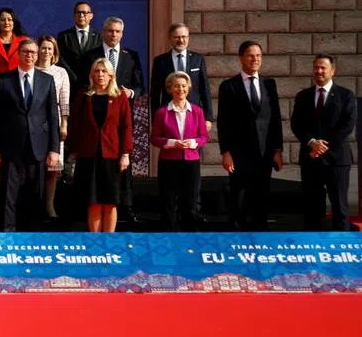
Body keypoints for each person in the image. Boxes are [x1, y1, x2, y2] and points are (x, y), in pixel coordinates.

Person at [0, 40, 61, 232]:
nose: (29, 55)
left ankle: (33, 235)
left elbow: (53, 116)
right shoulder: (4, 80)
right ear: (18, 54)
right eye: (26, 51)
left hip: (38, 147)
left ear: (37, 55)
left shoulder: (47, 80)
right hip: (10, 147)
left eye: (33, 52)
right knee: (8, 195)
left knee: (36, 194)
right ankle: (8, 235)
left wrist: (54, 149)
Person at [80, 17, 144, 223]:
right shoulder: (90, 56)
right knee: (93, 194)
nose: (113, 34)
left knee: (117, 187)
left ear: (122, 34)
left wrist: (131, 93)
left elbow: (140, 85)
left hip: (116, 128)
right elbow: (82, 84)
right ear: (103, 32)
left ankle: (128, 208)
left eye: (117, 31)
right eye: (110, 31)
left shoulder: (131, 56)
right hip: (93, 140)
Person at [217, 40, 283, 231]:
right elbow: (224, 122)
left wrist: (277, 150)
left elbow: (275, 119)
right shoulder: (229, 86)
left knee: (261, 194)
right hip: (239, 151)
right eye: (251, 55)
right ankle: (237, 234)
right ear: (241, 58)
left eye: (258, 56)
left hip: (264, 150)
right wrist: (226, 152)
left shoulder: (269, 84)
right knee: (239, 194)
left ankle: (260, 234)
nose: (255, 59)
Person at [291, 54, 356, 231]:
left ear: (332, 71)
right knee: (311, 207)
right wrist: (312, 142)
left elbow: (347, 125)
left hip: (337, 159)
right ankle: (312, 244)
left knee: (339, 206)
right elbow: (296, 124)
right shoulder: (303, 96)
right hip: (310, 159)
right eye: (316, 68)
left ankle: (341, 243)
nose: (318, 71)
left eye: (323, 68)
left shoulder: (346, 95)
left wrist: (321, 147)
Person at [68, 58, 133, 233]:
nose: (100, 74)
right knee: (93, 200)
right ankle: (95, 240)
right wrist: (73, 152)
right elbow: (76, 125)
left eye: (104, 71)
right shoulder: (84, 96)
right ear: (92, 75)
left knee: (111, 201)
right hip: (88, 155)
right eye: (97, 71)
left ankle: (108, 241)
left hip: (112, 155)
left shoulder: (119, 97)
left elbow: (126, 126)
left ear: (111, 75)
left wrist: (125, 154)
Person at [150, 71, 209, 230]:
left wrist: (193, 143)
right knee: (168, 201)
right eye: (176, 86)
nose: (180, 89)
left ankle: (189, 235)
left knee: (190, 200)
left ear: (188, 88)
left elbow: (204, 137)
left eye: (183, 86)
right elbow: (154, 138)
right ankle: (169, 235)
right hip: (168, 162)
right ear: (170, 89)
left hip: (191, 162)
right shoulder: (162, 112)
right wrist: (172, 143)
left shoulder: (197, 111)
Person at [150, 23, 213, 127]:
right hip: (168, 115)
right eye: (177, 37)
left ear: (188, 38)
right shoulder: (160, 61)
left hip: (194, 113)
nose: (181, 40)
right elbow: (155, 93)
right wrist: (155, 120)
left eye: (184, 37)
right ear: (170, 38)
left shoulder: (198, 59)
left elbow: (205, 89)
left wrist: (208, 118)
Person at [35, 34, 70, 219]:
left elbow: (64, 101)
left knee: (53, 168)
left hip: (54, 120)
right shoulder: (30, 69)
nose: (46, 51)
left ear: (54, 51)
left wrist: (64, 125)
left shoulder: (61, 72)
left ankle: (49, 206)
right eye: (43, 48)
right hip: (34, 120)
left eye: (50, 48)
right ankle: (34, 205)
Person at [56, 1, 100, 89]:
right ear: (74, 15)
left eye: (85, 13)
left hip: (93, 85)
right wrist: (74, 79)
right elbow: (61, 60)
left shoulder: (100, 37)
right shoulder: (63, 36)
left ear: (91, 16)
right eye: (78, 12)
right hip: (70, 84)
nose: (81, 15)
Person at [0, 7, 31, 76]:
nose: (6, 22)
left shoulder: (25, 41)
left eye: (9, 19)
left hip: (19, 80)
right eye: (3, 20)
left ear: (14, 22)